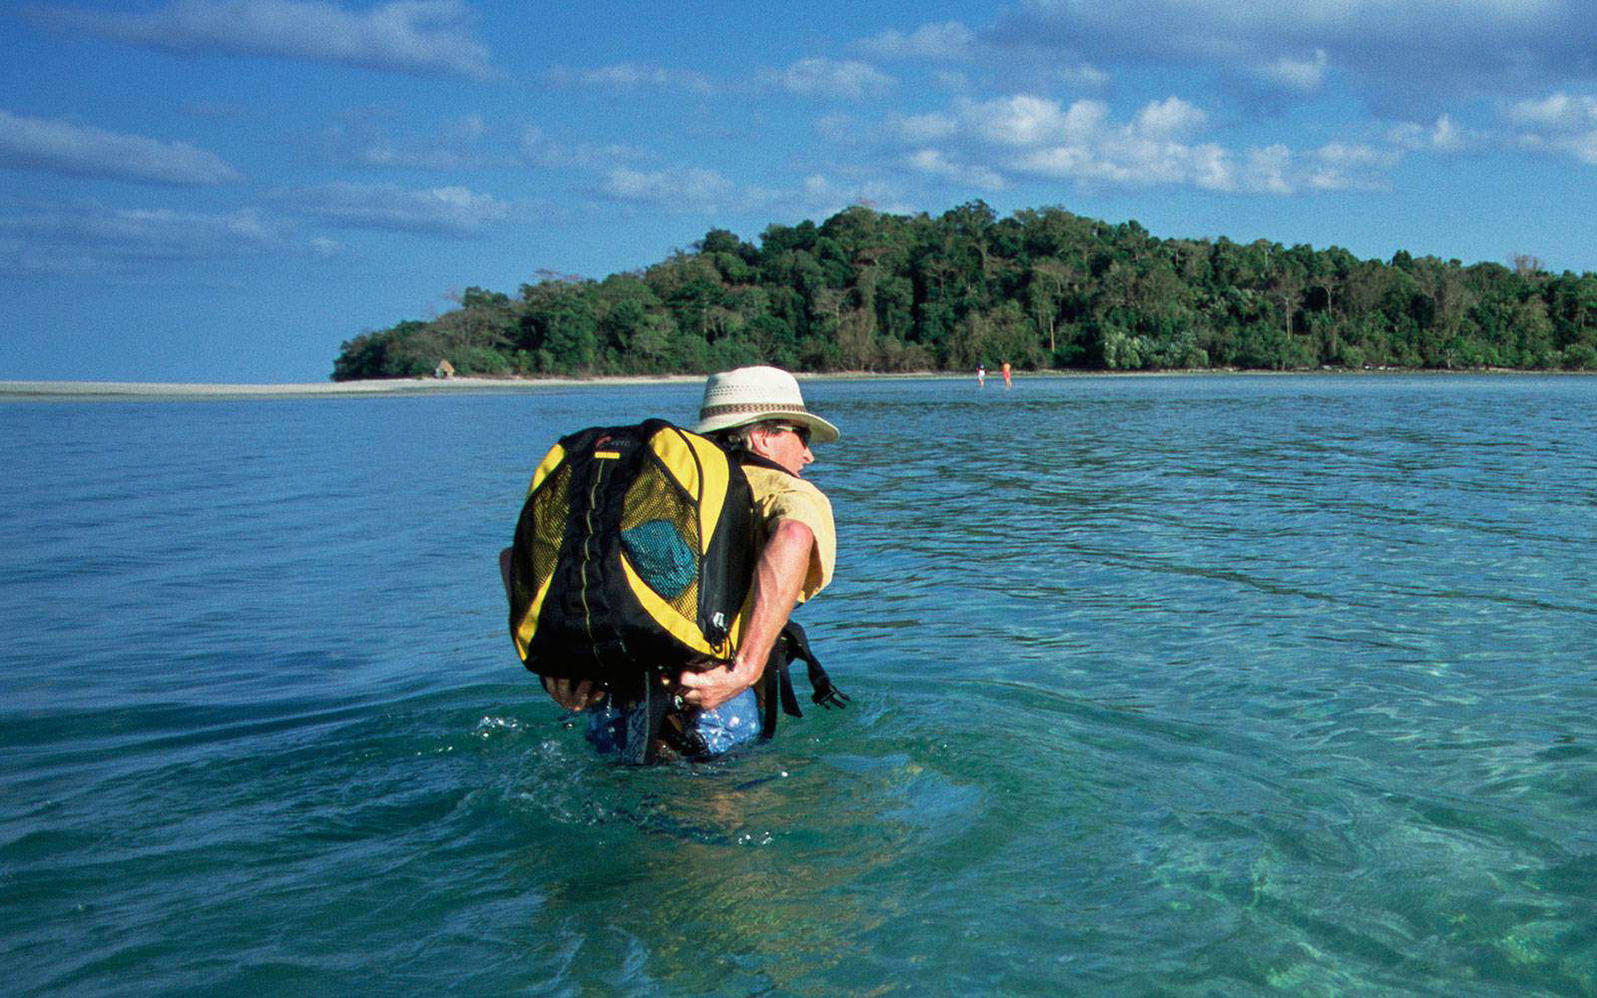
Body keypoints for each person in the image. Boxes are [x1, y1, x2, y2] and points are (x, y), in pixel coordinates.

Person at [523, 366, 839, 761]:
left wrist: (555, 667)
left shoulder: (662, 487)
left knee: (625, 803)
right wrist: (747, 669)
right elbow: (794, 535)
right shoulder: (785, 489)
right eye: (802, 436)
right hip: (712, 693)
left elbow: (518, 557)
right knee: (721, 808)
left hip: (615, 690)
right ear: (764, 436)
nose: (808, 454)